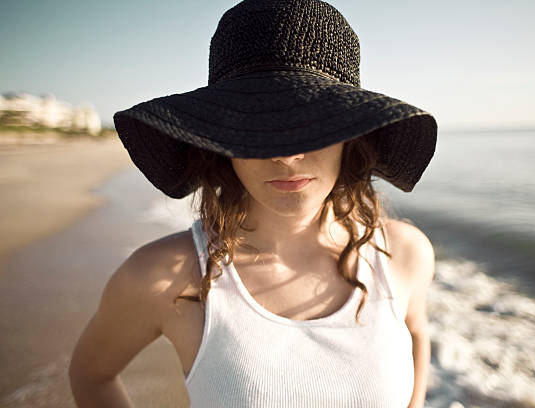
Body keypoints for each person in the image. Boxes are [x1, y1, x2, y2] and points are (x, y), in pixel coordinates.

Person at [68, 0, 437, 407]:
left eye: (311, 124)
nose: (287, 155)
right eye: (258, 126)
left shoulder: (404, 254)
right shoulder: (162, 277)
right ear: (220, 142)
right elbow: (91, 374)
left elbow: (416, 332)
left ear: (350, 135)